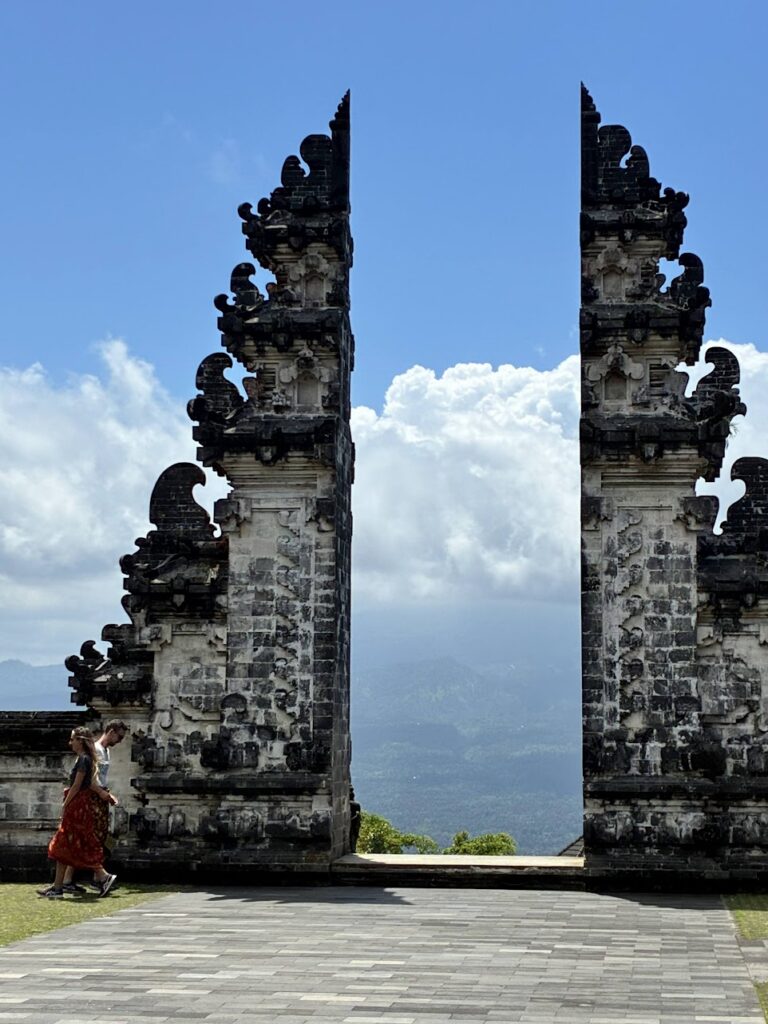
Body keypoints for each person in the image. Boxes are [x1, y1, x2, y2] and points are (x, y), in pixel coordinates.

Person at [38, 726, 117, 899]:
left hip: (77, 805)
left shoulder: (83, 760)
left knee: (71, 843)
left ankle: (102, 875)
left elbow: (76, 786)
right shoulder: (87, 759)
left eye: (73, 739)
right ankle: (58, 886)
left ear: (80, 741)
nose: (70, 742)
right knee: (65, 845)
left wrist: (65, 805)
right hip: (81, 804)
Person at [61, 719, 127, 894]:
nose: (119, 741)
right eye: (119, 737)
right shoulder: (94, 751)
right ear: (111, 731)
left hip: (98, 796)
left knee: (91, 837)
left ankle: (76, 878)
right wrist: (101, 793)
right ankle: (98, 875)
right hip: (92, 797)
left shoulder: (105, 752)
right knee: (87, 837)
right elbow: (87, 781)